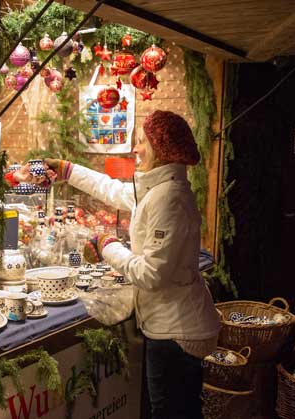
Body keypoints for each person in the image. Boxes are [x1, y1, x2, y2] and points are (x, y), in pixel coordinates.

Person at [45, 110, 220, 419]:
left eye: (142, 141)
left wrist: (106, 245)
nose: (136, 149)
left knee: (169, 413)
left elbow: (150, 274)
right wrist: (67, 170)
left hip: (175, 332)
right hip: (171, 324)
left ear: (161, 148)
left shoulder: (169, 199)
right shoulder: (159, 190)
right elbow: (113, 190)